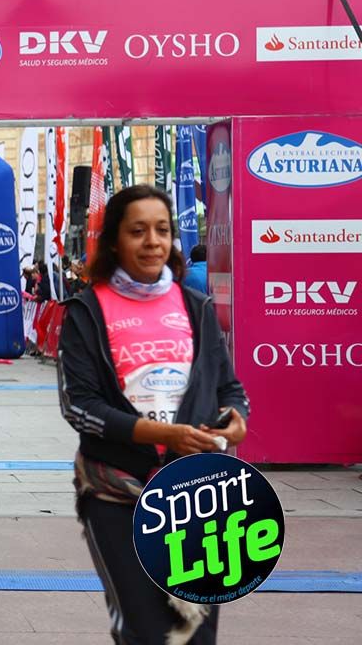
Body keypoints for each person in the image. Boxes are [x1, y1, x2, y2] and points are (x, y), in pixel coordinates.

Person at [57, 185, 249, 644]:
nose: (152, 242)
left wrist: (236, 419)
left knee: (198, 632)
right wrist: (161, 433)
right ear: (114, 241)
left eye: (162, 230)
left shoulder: (196, 306)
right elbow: (79, 407)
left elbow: (229, 388)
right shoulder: (86, 311)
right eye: (138, 231)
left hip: (198, 491)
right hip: (117, 489)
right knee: (145, 631)